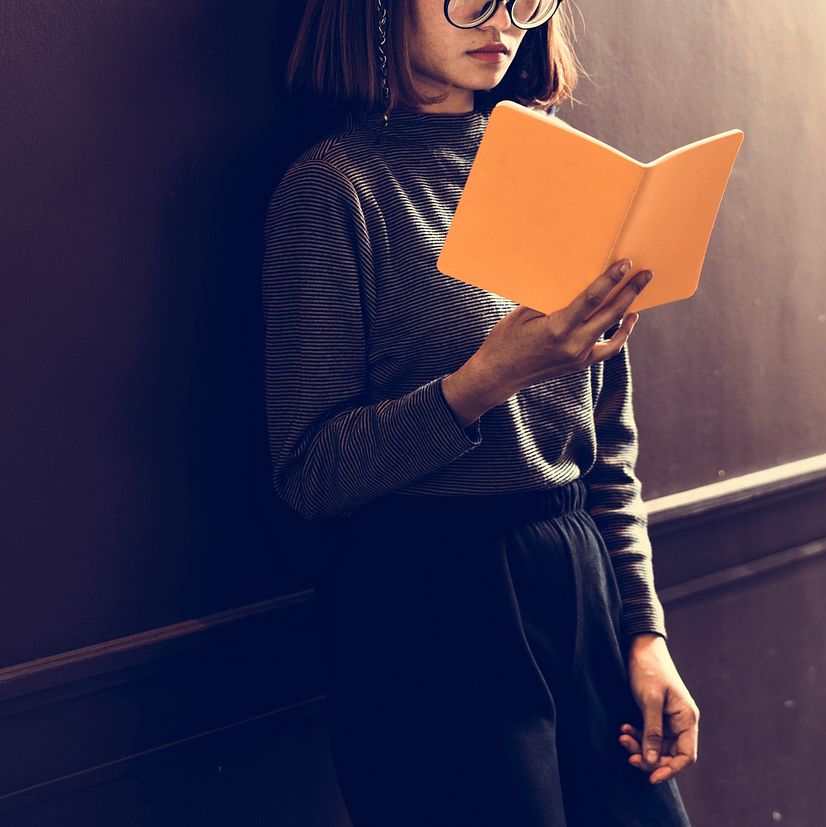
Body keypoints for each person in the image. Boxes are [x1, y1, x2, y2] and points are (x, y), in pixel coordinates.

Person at [261, 1, 700, 824]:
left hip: (576, 579)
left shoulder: (562, 172)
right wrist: (485, 380)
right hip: (426, 603)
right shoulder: (333, 188)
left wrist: (644, 633)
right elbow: (310, 470)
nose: (502, 19)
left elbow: (606, 447)